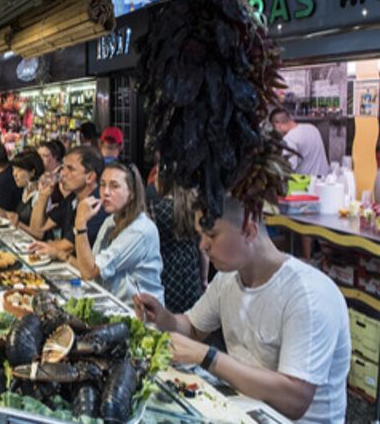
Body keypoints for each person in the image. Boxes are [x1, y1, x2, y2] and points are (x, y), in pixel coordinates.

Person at [136, 197, 350, 423]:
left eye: (212, 235)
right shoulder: (228, 278)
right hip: (244, 409)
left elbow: (294, 400)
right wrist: (163, 317)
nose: (202, 246)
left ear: (248, 231)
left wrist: (206, 356)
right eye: (201, 235)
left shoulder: (308, 296)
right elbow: (192, 327)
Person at [32, 161, 163, 306]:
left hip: (140, 316)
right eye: (102, 185)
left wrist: (80, 223)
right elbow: (88, 265)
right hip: (112, 304)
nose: (105, 192)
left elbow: (89, 272)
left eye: (114, 186)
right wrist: (60, 255)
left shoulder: (139, 230)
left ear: (132, 193)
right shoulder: (110, 221)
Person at [29, 146, 109, 248]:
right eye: (63, 167)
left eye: (71, 169)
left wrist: (37, 246)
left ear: (90, 177)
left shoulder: (97, 205)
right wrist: (43, 197)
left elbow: (67, 247)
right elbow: (37, 231)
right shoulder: (72, 198)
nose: (62, 173)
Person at [147, 182, 204, 313]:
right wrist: (204, 279)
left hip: (166, 270)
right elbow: (202, 249)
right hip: (190, 269)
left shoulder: (156, 208)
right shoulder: (194, 206)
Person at [0, 150, 44, 235]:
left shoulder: (39, 195)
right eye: (14, 169)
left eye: (20, 170)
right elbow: (13, 217)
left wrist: (17, 223)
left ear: (32, 172)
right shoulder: (25, 190)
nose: (14, 174)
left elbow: (37, 234)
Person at [269, 108, 329, 176]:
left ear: (277, 124)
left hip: (306, 183)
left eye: (273, 127)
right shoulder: (312, 128)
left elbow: (289, 169)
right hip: (324, 180)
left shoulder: (289, 139)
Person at [37, 140, 66, 212]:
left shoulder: (63, 175)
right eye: (39, 156)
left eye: (44, 156)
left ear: (55, 157)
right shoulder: (41, 174)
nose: (40, 159)